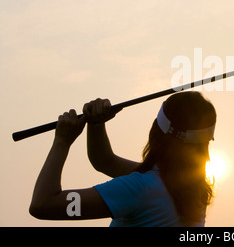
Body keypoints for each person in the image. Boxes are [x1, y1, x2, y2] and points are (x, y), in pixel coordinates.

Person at [29, 91, 216, 227]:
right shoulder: (194, 187)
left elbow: (43, 205)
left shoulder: (139, 189)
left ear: (156, 133)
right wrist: (96, 123)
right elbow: (104, 161)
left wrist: (62, 141)